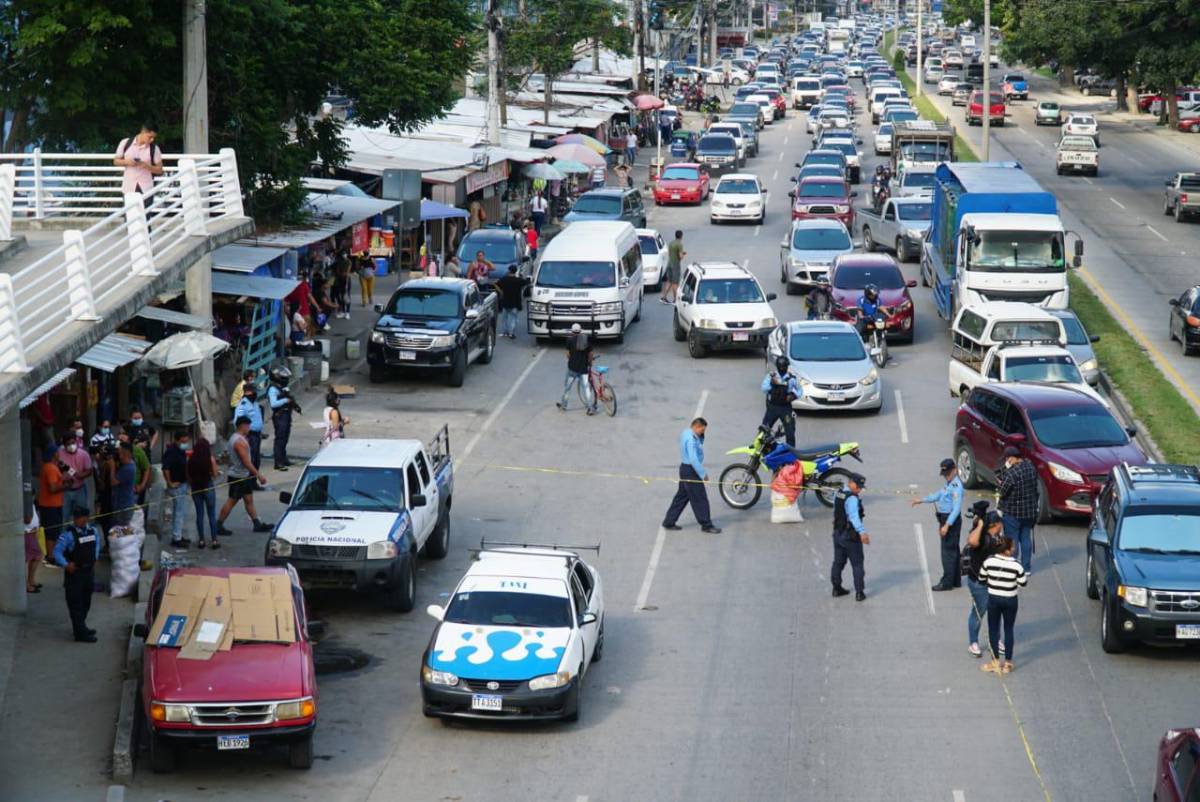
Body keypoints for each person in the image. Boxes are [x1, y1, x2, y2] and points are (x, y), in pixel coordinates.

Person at [912, 458, 965, 591]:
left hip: (950, 521)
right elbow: (938, 495)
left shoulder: (956, 487)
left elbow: (956, 509)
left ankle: (947, 582)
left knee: (947, 553)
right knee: (953, 551)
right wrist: (922, 500)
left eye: (948, 473)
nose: (946, 476)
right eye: (944, 474)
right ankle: (955, 580)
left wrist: (947, 525)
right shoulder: (949, 483)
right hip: (946, 519)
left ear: (954, 470)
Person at [661, 418, 721, 534]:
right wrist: (703, 474)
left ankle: (669, 521)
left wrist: (701, 436)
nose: (703, 433)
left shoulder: (686, 432)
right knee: (700, 499)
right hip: (691, 471)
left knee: (681, 497)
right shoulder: (691, 439)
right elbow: (693, 459)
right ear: (696, 427)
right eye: (702, 430)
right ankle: (706, 524)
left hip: (684, 468)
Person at [978, 536, 1028, 674]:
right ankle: (1008, 663)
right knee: (1009, 629)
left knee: (993, 630)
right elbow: (1023, 583)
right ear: (1007, 550)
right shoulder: (1017, 565)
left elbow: (981, 578)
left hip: (994, 599)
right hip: (1010, 600)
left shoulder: (989, 562)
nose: (1014, 549)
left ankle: (994, 662)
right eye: (1012, 547)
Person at [51, 506, 101, 643]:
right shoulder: (68, 535)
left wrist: (95, 557)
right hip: (75, 574)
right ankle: (80, 634)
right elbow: (56, 552)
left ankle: (81, 627)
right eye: (76, 518)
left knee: (86, 602)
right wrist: (66, 565)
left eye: (80, 518)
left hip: (88, 573)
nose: (77, 520)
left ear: (86, 518)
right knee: (75, 604)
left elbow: (97, 544)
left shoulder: (93, 531)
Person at [216, 416, 272, 535]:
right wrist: (259, 475)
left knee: (248, 500)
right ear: (243, 426)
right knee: (232, 501)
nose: (249, 428)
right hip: (238, 476)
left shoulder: (237, 438)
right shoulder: (239, 442)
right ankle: (218, 525)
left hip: (242, 475)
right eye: (248, 426)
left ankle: (257, 523)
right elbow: (246, 462)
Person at [964, 505, 1005, 658]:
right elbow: (972, 541)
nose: (1000, 530)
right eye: (999, 527)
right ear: (992, 525)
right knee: (979, 612)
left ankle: (995, 640)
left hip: (994, 582)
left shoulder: (996, 537)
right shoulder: (981, 537)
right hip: (978, 583)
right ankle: (973, 642)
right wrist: (980, 523)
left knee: (996, 611)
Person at [996, 445, 1039, 573]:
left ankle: (1013, 567)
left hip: (1013, 512)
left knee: (1012, 540)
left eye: (1008, 459)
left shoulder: (1012, 473)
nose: (1007, 461)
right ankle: (1026, 568)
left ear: (1013, 458)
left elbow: (1003, 491)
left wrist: (1003, 473)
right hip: (1029, 512)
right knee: (1025, 538)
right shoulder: (1031, 466)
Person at [831, 473, 870, 601]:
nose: (859, 489)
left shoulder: (839, 493)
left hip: (837, 533)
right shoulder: (852, 498)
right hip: (850, 536)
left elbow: (836, 510)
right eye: (858, 486)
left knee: (838, 562)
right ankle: (859, 593)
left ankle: (836, 588)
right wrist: (862, 532)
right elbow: (854, 517)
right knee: (857, 564)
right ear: (851, 482)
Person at [113, 122, 164, 200]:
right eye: (150, 137)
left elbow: (160, 170)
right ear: (143, 132)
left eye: (153, 138)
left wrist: (146, 166)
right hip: (129, 187)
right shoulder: (125, 143)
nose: (152, 140)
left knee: (146, 212)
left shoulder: (154, 148)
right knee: (130, 211)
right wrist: (127, 162)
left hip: (146, 189)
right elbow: (116, 161)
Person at [187, 438, 221, 549]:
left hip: (196, 488)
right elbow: (215, 474)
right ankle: (214, 540)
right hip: (208, 487)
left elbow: (188, 476)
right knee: (211, 514)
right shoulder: (210, 459)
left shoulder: (191, 459)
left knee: (199, 514)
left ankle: (201, 540)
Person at [556, 324, 597, 414]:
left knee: (568, 388)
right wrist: (589, 362)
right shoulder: (586, 339)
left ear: (572, 331)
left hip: (572, 369)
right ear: (580, 330)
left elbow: (568, 354)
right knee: (586, 389)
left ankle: (563, 406)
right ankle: (590, 408)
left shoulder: (569, 340)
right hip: (583, 369)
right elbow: (591, 353)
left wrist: (572, 359)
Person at [761, 355, 800, 446]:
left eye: (784, 366)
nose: (782, 368)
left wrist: (793, 396)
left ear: (787, 366)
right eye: (780, 366)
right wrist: (772, 384)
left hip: (785, 408)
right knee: (763, 430)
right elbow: (764, 388)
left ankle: (790, 453)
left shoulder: (792, 378)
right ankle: (759, 451)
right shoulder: (771, 376)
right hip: (772, 407)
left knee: (790, 431)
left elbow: (800, 390)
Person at [161, 432, 190, 547]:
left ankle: (177, 535)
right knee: (179, 512)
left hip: (182, 484)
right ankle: (176, 538)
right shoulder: (172, 452)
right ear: (177, 440)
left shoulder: (179, 450)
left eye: (186, 441)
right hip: (177, 486)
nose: (185, 444)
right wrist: (170, 483)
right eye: (183, 442)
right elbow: (165, 468)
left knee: (180, 512)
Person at [268, 366, 300, 470]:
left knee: (285, 438)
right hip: (279, 416)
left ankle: (284, 458)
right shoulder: (273, 389)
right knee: (280, 439)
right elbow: (273, 404)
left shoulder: (282, 387)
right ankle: (278, 462)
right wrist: (285, 400)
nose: (286, 380)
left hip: (286, 415)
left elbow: (289, 398)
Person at [37, 445, 65, 553]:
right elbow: (53, 488)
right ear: (54, 454)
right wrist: (65, 485)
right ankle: (50, 557)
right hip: (50, 506)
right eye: (58, 452)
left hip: (52, 505)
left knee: (53, 531)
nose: (60, 454)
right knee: (51, 533)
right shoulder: (50, 468)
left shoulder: (51, 467)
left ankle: (53, 554)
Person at [57, 433, 93, 518]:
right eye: (68, 444)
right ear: (64, 445)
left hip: (80, 489)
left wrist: (80, 475)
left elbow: (89, 470)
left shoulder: (84, 454)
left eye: (73, 443)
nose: (71, 446)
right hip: (65, 490)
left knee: (81, 516)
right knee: (64, 516)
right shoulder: (59, 454)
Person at [234, 382, 265, 469]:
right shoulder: (242, 405)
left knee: (256, 460)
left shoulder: (255, 403)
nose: (256, 394)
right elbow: (237, 422)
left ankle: (254, 480)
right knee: (250, 460)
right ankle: (250, 481)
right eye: (255, 391)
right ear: (248, 392)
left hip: (257, 435)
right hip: (249, 436)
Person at [495, 265, 529, 340]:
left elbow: (496, 284)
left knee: (504, 318)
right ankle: (511, 333)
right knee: (513, 318)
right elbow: (526, 282)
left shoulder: (504, 279)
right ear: (515, 271)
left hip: (505, 302)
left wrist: (501, 292)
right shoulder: (518, 280)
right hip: (515, 302)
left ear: (509, 271)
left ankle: (505, 332)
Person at [110, 442, 138, 528]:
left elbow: (113, 482)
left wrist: (112, 467)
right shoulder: (127, 464)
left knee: (121, 531)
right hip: (121, 503)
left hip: (124, 506)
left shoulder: (128, 468)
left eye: (119, 452)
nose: (118, 455)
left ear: (124, 454)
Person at [661, 230, 685, 304]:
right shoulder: (679, 244)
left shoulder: (671, 243)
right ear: (681, 236)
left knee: (669, 281)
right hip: (675, 265)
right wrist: (683, 255)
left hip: (669, 264)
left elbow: (671, 254)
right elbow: (680, 257)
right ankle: (675, 300)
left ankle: (664, 297)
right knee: (675, 283)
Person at [24, 508, 42, 594]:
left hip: (31, 532)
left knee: (35, 556)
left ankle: (30, 581)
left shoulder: (28, 497)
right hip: (27, 532)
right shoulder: (25, 496)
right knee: (34, 556)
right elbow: (27, 519)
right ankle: (26, 584)